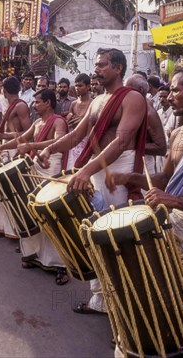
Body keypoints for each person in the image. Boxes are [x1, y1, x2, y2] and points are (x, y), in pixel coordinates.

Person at [109, 67, 183, 358]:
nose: (168, 97)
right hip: (175, 228)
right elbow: (165, 180)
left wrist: (174, 201)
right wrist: (128, 178)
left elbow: (173, 194)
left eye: (175, 90)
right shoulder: (178, 134)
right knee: (167, 301)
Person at [38, 48, 147, 313]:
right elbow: (76, 135)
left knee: (118, 241)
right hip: (95, 174)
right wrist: (50, 149)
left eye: (102, 65)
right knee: (95, 237)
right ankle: (101, 301)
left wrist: (85, 171)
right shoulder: (99, 100)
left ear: (118, 68)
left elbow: (121, 142)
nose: (96, 70)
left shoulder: (132, 98)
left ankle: (126, 311)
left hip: (118, 176)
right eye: (96, 65)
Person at [0, 89, 69, 284]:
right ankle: (34, 255)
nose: (33, 105)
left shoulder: (58, 121)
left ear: (49, 103)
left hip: (51, 169)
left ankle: (60, 265)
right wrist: (0, 147)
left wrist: (32, 147)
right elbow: (23, 139)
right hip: (36, 168)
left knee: (50, 215)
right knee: (32, 211)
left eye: (37, 102)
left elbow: (59, 141)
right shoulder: (37, 123)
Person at [0, 76, 31, 238]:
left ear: (4, 91)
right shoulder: (12, 104)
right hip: (7, 149)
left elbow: (28, 134)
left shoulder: (20, 106)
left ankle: (19, 230)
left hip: (16, 150)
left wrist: (3, 135)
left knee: (15, 190)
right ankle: (2, 227)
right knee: (4, 189)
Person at [125, 74, 167, 175]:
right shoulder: (129, 107)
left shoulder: (149, 112)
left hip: (144, 169)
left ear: (141, 90)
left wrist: (131, 145)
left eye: (128, 90)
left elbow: (161, 148)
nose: (124, 94)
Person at [66, 73, 93, 167]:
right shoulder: (73, 104)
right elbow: (69, 123)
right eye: (76, 85)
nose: (77, 88)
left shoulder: (93, 103)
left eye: (80, 85)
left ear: (88, 87)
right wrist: (68, 121)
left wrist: (84, 120)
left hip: (88, 141)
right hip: (74, 142)